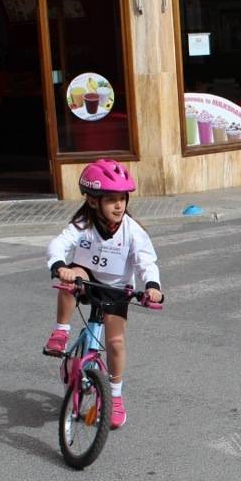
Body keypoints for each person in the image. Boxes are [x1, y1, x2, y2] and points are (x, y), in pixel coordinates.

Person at [43, 159, 163, 430]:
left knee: (116, 342)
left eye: (122, 198)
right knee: (72, 277)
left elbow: (146, 261)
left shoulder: (132, 230)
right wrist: (59, 266)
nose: (119, 205)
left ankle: (115, 397)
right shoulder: (83, 224)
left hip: (117, 288)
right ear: (93, 201)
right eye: (111, 200)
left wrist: (152, 286)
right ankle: (61, 332)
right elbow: (58, 244)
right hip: (87, 278)